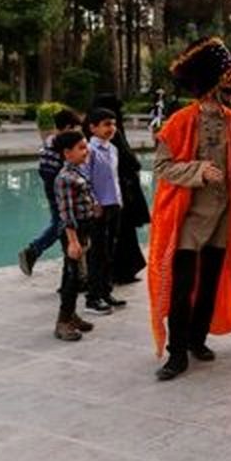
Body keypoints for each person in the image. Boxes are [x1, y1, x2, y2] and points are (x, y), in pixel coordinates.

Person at [149, 37, 231, 381]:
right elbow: (162, 167)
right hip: (187, 219)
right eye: (227, 80)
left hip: (223, 217)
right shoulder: (179, 123)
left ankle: (197, 340)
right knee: (182, 287)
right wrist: (197, 171)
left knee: (210, 282)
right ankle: (176, 353)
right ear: (212, 85)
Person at [91, 93, 149, 285]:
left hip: (116, 196)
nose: (112, 127)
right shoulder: (98, 144)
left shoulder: (110, 140)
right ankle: (113, 276)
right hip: (110, 198)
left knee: (112, 239)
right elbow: (130, 162)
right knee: (113, 239)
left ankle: (106, 280)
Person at [18, 109, 82, 276]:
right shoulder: (62, 145)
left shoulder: (49, 140)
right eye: (76, 128)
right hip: (59, 188)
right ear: (68, 127)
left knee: (59, 221)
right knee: (62, 223)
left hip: (50, 185)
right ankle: (33, 250)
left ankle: (35, 251)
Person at [51, 130, 98, 342]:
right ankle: (62, 322)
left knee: (75, 275)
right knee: (73, 278)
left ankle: (71, 315)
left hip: (84, 230)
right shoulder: (65, 178)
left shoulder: (78, 172)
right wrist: (73, 241)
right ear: (67, 152)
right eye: (81, 148)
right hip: (74, 233)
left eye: (86, 146)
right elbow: (66, 213)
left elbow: (85, 195)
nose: (86, 151)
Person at [81, 108, 127, 314]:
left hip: (113, 205)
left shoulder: (113, 149)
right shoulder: (88, 151)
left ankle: (105, 291)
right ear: (93, 127)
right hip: (98, 208)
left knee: (110, 251)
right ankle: (92, 297)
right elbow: (84, 181)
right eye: (106, 124)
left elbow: (113, 178)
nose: (112, 128)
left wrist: (118, 200)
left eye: (114, 124)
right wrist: (94, 202)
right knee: (96, 253)